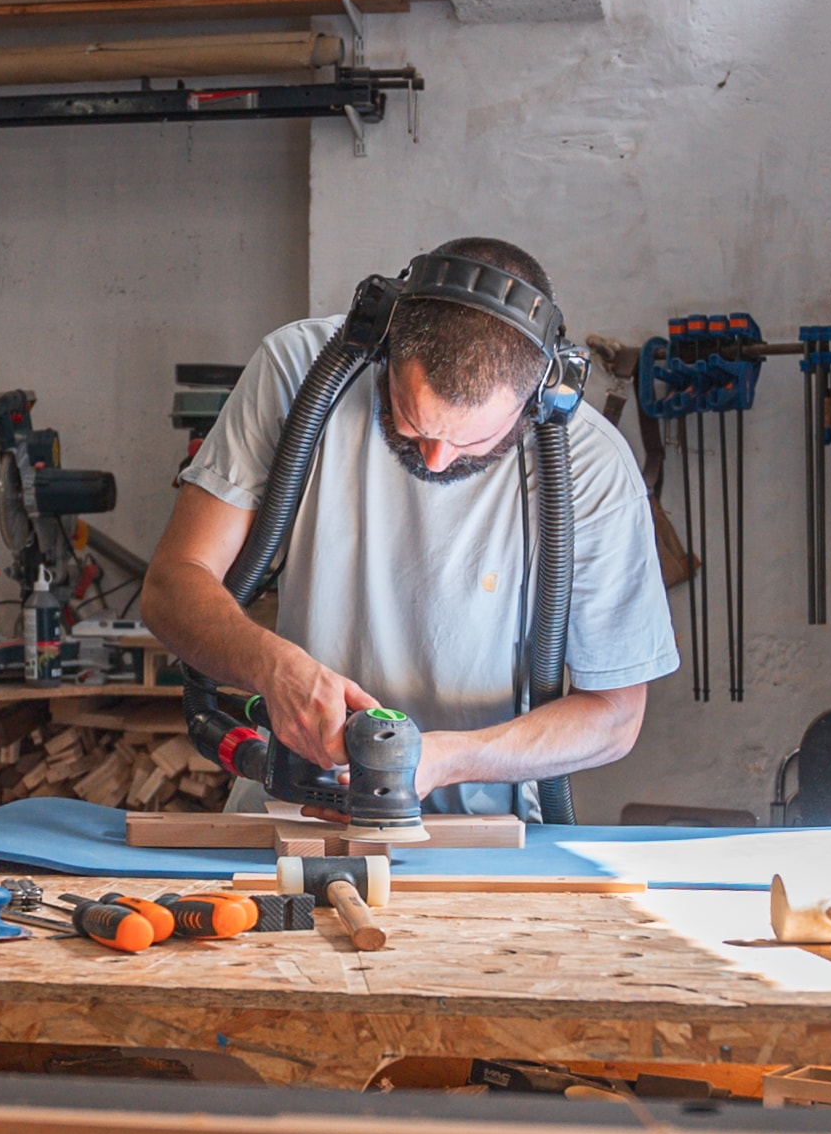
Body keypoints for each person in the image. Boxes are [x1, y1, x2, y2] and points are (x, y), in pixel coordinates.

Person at [143, 237, 676, 815]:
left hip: (484, 835)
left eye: (471, 439)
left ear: (542, 395)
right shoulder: (299, 372)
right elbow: (174, 584)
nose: (435, 459)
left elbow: (615, 717)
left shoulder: (589, 466)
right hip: (294, 803)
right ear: (382, 341)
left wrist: (446, 759)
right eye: (411, 419)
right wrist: (271, 665)